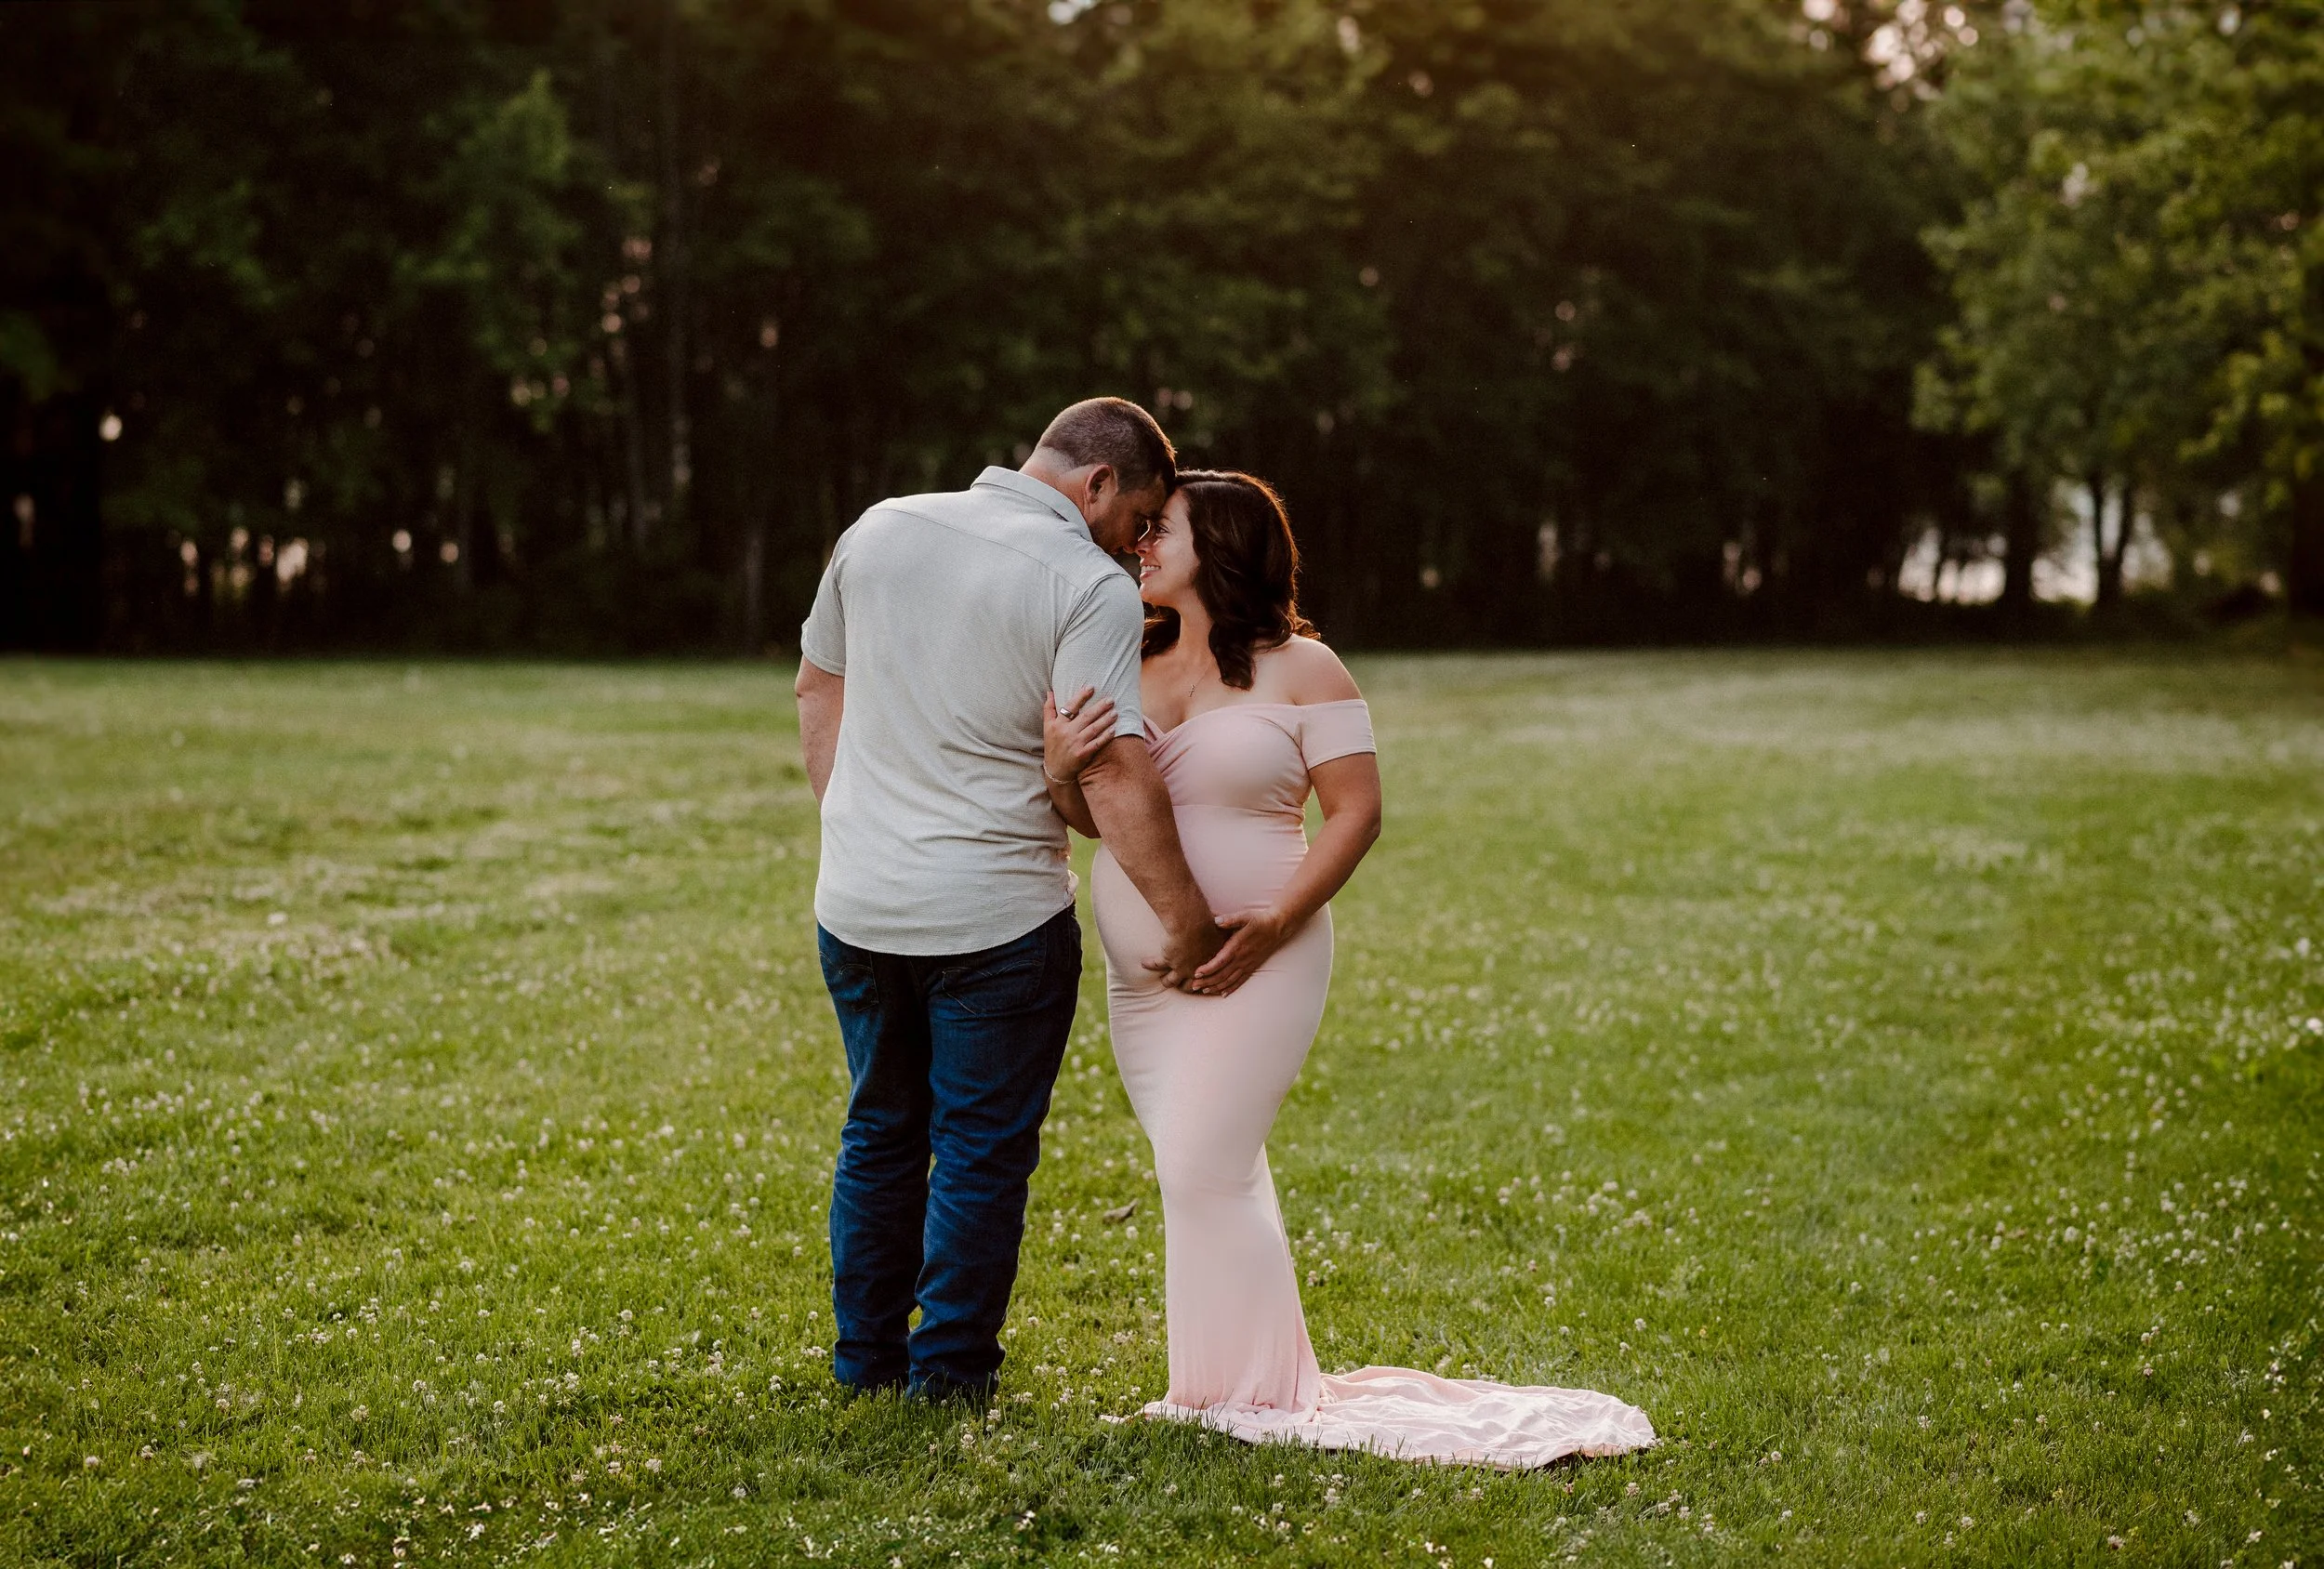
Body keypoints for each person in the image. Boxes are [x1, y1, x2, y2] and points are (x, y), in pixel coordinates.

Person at [1041, 470, 1656, 1468]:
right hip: (1141, 976)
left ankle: (1243, 1392)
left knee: (1203, 1160)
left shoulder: (1306, 668)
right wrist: (1062, 764)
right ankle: (1238, 1383)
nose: (1139, 541)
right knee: (1199, 1169)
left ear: (1226, 544)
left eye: (1162, 528)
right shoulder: (1125, 656)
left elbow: (1357, 811)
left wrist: (1277, 918)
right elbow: (1095, 813)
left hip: (1264, 958)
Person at [795, 397, 1225, 1402]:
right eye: (1140, 518)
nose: (1139, 544)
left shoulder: (881, 525)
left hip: (857, 904)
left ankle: (864, 1364)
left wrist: (854, 817)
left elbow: (818, 686)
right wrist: (1189, 920)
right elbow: (1113, 772)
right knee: (980, 1154)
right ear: (1098, 484)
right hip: (994, 922)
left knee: (880, 1131)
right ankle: (945, 1377)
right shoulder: (1085, 584)